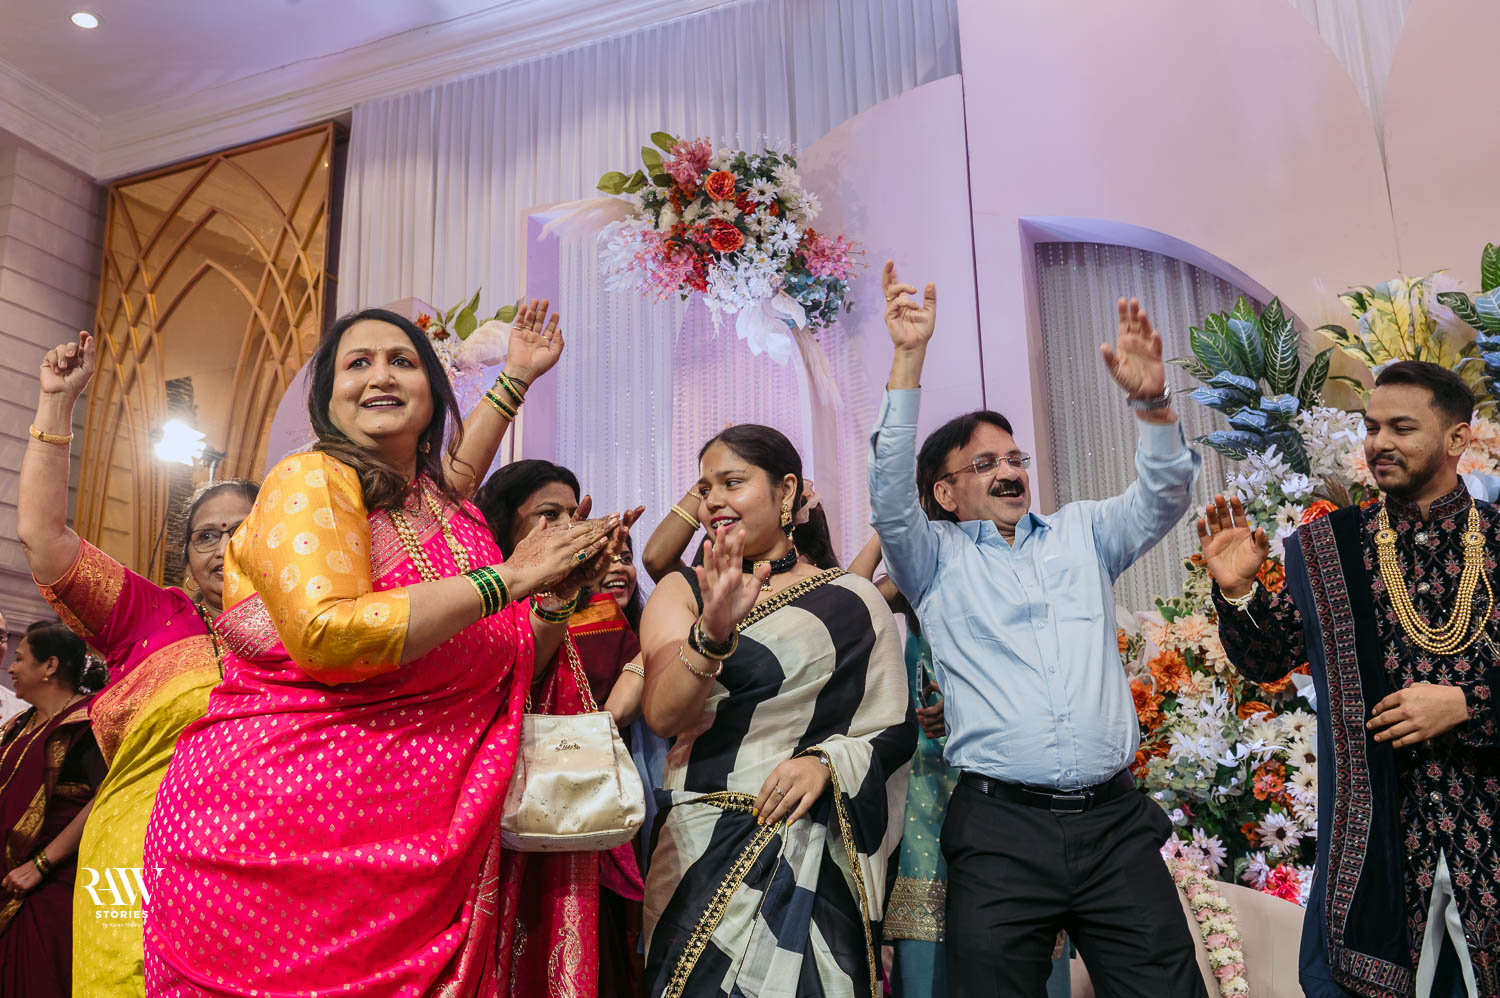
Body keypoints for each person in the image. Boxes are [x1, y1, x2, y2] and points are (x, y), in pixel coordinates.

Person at [141, 302, 628, 995]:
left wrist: (554, 597)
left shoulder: (443, 511)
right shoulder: (310, 480)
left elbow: (502, 624)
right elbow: (328, 633)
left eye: (402, 361)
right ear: (327, 398)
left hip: (423, 855)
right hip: (281, 848)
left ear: (433, 392)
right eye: (358, 363)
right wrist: (513, 578)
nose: (380, 376)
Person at [867, 260, 1205, 997]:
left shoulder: (1084, 533)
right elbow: (888, 498)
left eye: (1015, 457)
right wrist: (908, 358)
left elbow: (1164, 495)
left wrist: (1153, 406)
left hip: (1115, 826)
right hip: (1001, 833)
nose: (1009, 470)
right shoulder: (933, 559)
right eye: (984, 463)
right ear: (946, 492)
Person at [1199, 360, 1498, 998]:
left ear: (1457, 438)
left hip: (1490, 822)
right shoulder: (1328, 546)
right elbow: (1269, 658)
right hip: (1379, 838)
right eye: (1371, 427)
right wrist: (1239, 594)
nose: (1379, 442)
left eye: (1401, 428)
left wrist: (1468, 703)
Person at [18, 328, 261, 995]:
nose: (223, 545)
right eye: (206, 535)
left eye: (243, 529)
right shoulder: (153, 617)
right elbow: (42, 538)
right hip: (135, 870)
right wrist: (56, 404)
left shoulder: (318, 633)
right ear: (187, 558)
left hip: (264, 866)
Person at [639, 423, 914, 997]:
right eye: (705, 488)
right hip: (700, 854)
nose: (714, 501)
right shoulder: (683, 590)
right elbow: (664, 716)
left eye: (732, 483)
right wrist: (711, 634)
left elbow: (893, 730)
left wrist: (826, 764)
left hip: (815, 851)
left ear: (786, 491)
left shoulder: (852, 600)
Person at [475, 459, 648, 998]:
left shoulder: (592, 606)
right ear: (504, 525)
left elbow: (628, 679)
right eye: (548, 514)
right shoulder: (474, 600)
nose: (566, 526)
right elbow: (520, 670)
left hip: (575, 807)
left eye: (573, 515)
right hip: (486, 808)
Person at [0, 622, 107, 997]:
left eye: (19, 658)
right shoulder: (19, 723)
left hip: (51, 886)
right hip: (7, 881)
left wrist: (41, 864)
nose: (11, 667)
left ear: (49, 666)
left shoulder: (88, 724)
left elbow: (107, 798)